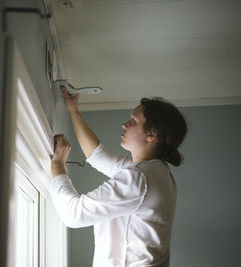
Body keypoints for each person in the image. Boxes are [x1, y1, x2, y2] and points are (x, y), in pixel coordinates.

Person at [49, 86, 188, 267]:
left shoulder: (140, 177)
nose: (125, 124)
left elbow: (73, 214)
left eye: (133, 121)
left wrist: (57, 164)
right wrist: (73, 111)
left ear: (151, 135)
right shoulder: (156, 172)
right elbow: (98, 157)